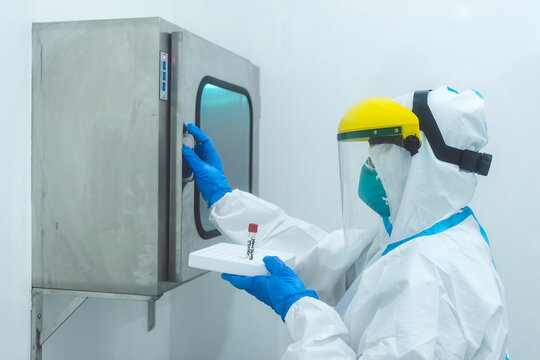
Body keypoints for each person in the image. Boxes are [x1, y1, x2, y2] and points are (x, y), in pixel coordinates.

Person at [182, 86, 509, 359]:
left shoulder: (430, 273)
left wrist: (302, 310)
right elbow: (326, 256)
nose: (368, 169)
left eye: (377, 157)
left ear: (419, 162)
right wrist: (225, 199)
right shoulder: (420, 232)